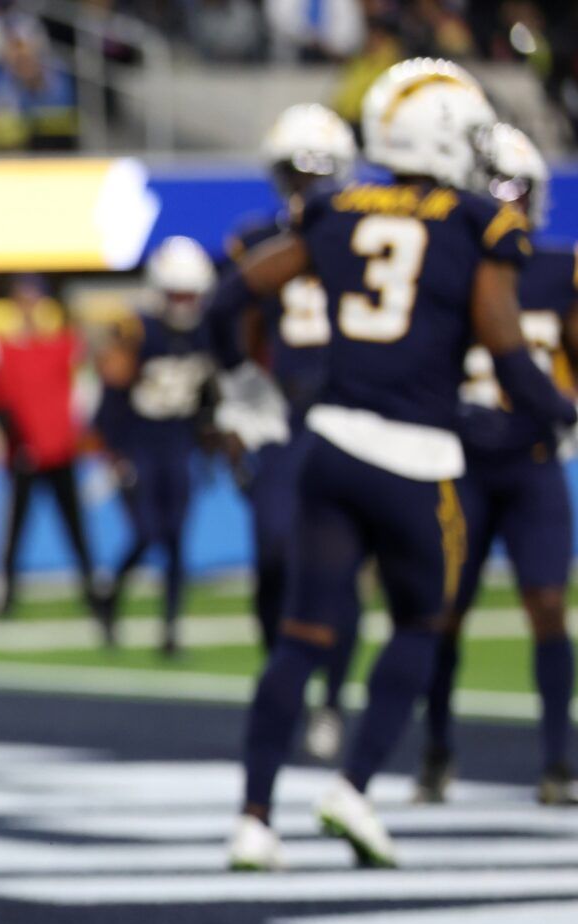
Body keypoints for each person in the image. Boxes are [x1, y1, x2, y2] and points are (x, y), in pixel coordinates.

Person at [211, 61, 575, 873]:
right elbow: (513, 358)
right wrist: (560, 410)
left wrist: (241, 389)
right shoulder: (480, 223)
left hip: (331, 444)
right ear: (444, 132)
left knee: (300, 639)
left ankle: (254, 820)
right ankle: (353, 787)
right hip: (419, 457)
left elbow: (226, 301)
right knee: (419, 625)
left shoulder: (337, 206)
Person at [418, 124, 577, 806]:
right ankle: (436, 750)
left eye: (518, 192)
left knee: (547, 605)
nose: (509, 206)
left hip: (533, 460)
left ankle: (558, 761)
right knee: (444, 612)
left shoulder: (559, 268)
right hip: (461, 462)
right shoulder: (445, 268)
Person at [220, 102, 360, 762]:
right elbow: (238, 326)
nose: (305, 186)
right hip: (283, 412)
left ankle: (332, 695)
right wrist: (238, 399)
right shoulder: (256, 240)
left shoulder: (364, 236)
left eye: (316, 171)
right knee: (274, 558)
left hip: (350, 405)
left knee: (344, 568)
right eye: (294, 172)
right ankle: (287, 682)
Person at [96, 237, 218, 656]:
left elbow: (209, 397)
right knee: (148, 533)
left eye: (190, 293)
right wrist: (114, 453)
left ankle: (170, 630)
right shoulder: (137, 330)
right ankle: (110, 597)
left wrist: (212, 440)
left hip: (180, 444)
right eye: (177, 293)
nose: (184, 302)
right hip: (142, 444)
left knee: (177, 541)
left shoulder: (207, 332)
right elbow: (111, 396)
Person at [0, 275, 101, 619]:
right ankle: (5, 597)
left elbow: (85, 387)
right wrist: (15, 440)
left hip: (60, 451)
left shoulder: (63, 345)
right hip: (24, 454)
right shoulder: (2, 347)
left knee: (77, 529)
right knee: (14, 531)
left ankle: (93, 593)